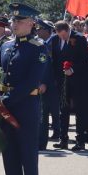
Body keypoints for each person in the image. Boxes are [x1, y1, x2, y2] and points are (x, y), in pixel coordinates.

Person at [0, 2, 48, 175]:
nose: (14, 24)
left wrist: (5, 100)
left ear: (31, 23)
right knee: (10, 158)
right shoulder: (6, 46)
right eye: (13, 20)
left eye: (19, 20)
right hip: (6, 108)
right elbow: (0, 78)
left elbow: (31, 81)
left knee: (28, 158)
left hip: (26, 107)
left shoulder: (38, 47)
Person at [52, 20, 88, 151]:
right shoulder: (55, 40)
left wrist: (73, 69)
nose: (62, 38)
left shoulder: (79, 38)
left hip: (78, 80)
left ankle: (80, 140)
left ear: (68, 30)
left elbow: (85, 59)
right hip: (62, 81)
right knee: (63, 109)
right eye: (59, 35)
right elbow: (54, 59)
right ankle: (63, 139)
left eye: (64, 35)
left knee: (79, 111)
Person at [36, 19, 60, 149]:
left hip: (51, 83)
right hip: (45, 83)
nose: (37, 31)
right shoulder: (42, 43)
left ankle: (42, 141)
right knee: (43, 113)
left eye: (40, 29)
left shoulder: (53, 42)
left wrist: (44, 82)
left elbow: (48, 66)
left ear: (46, 30)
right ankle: (41, 140)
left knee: (46, 113)